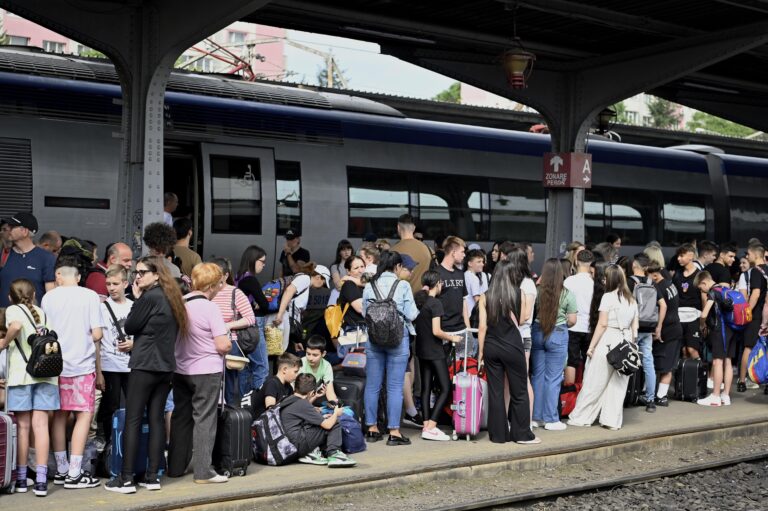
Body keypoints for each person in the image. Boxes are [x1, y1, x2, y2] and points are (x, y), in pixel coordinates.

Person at [105, 256, 186, 494]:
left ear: (156, 274)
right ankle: (152, 477)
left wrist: (138, 298)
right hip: (165, 366)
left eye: (142, 272)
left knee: (133, 419)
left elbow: (130, 326)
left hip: (145, 364)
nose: (137, 277)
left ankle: (126, 478)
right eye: (136, 272)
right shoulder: (172, 297)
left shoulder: (150, 297)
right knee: (156, 419)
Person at [41, 256, 103, 489]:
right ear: (78, 277)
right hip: (82, 365)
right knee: (83, 415)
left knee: (59, 415)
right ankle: (75, 473)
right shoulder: (89, 296)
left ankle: (62, 469)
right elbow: (97, 334)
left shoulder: (48, 298)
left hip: (55, 366)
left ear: (59, 276)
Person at [168, 263, 231, 484]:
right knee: (205, 419)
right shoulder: (210, 308)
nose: (220, 288)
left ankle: (175, 468)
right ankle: (203, 472)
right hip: (206, 371)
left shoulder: (180, 304)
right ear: (211, 285)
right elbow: (222, 345)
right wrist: (228, 343)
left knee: (181, 417)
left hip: (180, 369)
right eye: (219, 284)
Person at [0, 279, 58, 496]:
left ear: (10, 297)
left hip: (21, 375)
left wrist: (4, 343)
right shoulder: (42, 313)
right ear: (34, 295)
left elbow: (15, 326)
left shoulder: (12, 310)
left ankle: (23, 478)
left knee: (23, 428)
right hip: (45, 375)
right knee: (41, 427)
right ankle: (41, 480)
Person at [568, 265, 638, 430]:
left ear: (610, 279)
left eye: (605, 278)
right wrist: (632, 345)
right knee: (618, 385)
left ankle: (582, 417)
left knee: (595, 381)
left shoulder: (607, 297)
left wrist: (591, 347)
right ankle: (611, 421)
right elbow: (635, 327)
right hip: (626, 341)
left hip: (608, 340)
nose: (603, 281)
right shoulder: (632, 300)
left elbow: (602, 324)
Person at [478, 260, 539, 445]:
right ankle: (522, 435)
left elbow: (482, 327)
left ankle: (498, 435)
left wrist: (480, 353)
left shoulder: (485, 296)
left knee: (495, 392)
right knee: (519, 391)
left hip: (491, 346)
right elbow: (522, 320)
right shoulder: (518, 293)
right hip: (512, 345)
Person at [361, 251, 419, 446]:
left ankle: (372, 429)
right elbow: (411, 314)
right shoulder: (403, 285)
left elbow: (364, 312)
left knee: (372, 385)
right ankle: (394, 432)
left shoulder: (369, 285)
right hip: (398, 338)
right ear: (397, 266)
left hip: (374, 339)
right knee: (394, 386)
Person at [530, 258, 577, 431]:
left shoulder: (537, 291)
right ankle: (551, 419)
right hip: (557, 333)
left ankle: (536, 417)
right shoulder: (567, 294)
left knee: (537, 376)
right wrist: (563, 324)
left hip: (537, 332)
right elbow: (572, 320)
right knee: (554, 378)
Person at [413, 270, 459, 442]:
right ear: (437, 284)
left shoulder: (420, 302)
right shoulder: (435, 303)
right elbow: (437, 331)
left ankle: (426, 425)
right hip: (435, 350)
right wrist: (452, 338)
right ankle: (432, 426)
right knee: (445, 388)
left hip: (421, 350)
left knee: (426, 389)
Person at [282, 373, 356, 467]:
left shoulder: (289, 399)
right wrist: (336, 413)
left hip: (287, 443)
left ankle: (311, 452)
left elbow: (303, 413)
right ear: (311, 392)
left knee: (321, 420)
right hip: (298, 444)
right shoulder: (303, 404)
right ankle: (334, 454)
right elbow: (328, 425)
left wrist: (316, 396)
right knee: (334, 422)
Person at [210, 257, 256, 405]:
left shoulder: (235, 293)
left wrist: (228, 325)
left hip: (229, 343)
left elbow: (250, 318)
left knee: (229, 383)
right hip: (209, 342)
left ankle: (228, 412)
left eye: (217, 274)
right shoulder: (207, 291)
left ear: (225, 275)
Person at [96, 265, 133, 445]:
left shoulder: (133, 306)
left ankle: (128, 443)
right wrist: (98, 371)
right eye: (108, 284)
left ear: (125, 284)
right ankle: (111, 443)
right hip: (109, 364)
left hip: (130, 364)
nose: (111, 288)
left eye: (115, 284)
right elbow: (97, 341)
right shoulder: (102, 308)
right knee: (110, 406)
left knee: (133, 406)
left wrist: (134, 344)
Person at [694, 271, 735, 407]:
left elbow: (704, 314)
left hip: (719, 330)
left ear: (704, 282)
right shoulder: (725, 289)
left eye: (701, 288)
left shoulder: (713, 292)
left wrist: (702, 325)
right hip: (732, 329)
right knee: (728, 362)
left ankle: (715, 396)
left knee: (717, 362)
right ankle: (725, 395)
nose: (702, 291)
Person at [234, 245, 271, 395]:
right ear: (253, 260)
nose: (264, 265)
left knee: (245, 367)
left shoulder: (238, 277)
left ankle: (244, 402)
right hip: (254, 326)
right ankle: (257, 402)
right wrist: (258, 304)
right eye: (262, 261)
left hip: (240, 327)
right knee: (262, 367)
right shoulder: (250, 280)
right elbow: (265, 305)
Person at [0, 212, 55, 307]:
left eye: (12, 226)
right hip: (4, 315)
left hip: (32, 315)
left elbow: (51, 296)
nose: (8, 229)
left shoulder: (46, 258)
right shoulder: (3, 255)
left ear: (25, 231)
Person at [646, 264, 682, 408]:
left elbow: (663, 307)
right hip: (675, 328)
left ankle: (661, 396)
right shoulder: (670, 285)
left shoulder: (658, 287)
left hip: (667, 330)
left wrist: (658, 327)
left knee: (664, 366)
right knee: (668, 364)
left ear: (655, 275)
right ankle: (661, 395)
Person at [274, 263, 331, 353]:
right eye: (323, 283)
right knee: (278, 350)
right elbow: (289, 291)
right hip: (283, 319)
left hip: (287, 321)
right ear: (318, 277)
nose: (322, 287)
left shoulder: (306, 283)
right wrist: (280, 314)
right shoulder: (305, 279)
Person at [737, 243, 767, 392]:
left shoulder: (755, 271)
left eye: (748, 254)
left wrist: (747, 311)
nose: (747, 257)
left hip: (756, 315)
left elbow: (755, 293)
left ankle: (742, 381)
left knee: (748, 347)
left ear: (756, 255)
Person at [563, 250, 595, 386]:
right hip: (590, 327)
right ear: (591, 264)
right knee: (589, 361)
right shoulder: (594, 283)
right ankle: (586, 391)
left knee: (571, 361)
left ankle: (569, 392)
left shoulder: (569, 281)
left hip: (572, 325)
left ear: (576, 262)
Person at [438, 236, 471, 356]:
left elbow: (464, 301)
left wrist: (468, 328)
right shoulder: (437, 273)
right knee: (444, 366)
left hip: (461, 328)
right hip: (443, 330)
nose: (464, 255)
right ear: (453, 252)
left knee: (463, 365)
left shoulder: (460, 273)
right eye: (462, 252)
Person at [243, 352, 300, 420]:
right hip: (249, 419)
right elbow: (270, 411)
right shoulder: (272, 383)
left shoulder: (289, 387)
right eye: (295, 372)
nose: (297, 375)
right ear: (284, 369)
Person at [672, 244, 703, 360]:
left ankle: (700, 370)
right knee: (684, 350)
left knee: (692, 349)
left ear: (691, 256)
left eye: (681, 256)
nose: (678, 258)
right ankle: (684, 371)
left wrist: (704, 319)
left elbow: (704, 298)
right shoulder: (677, 274)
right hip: (679, 317)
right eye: (678, 256)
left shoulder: (700, 275)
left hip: (694, 317)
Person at [392, 213, 433, 294]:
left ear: (398, 227)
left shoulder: (392, 251)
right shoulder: (428, 249)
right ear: (414, 228)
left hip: (400, 298)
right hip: (422, 298)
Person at [336, 255, 367, 359]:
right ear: (348, 271)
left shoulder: (364, 285)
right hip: (355, 332)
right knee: (355, 366)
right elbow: (360, 308)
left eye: (362, 266)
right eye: (356, 268)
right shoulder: (349, 285)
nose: (360, 270)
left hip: (363, 332)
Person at [299, 335, 337, 403]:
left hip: (312, 398)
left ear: (323, 354)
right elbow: (297, 395)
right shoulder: (300, 363)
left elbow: (330, 392)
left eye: (315, 355)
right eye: (308, 354)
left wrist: (334, 404)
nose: (310, 358)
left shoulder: (326, 365)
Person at [464, 249, 488, 319]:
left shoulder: (465, 274)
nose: (482, 264)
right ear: (470, 263)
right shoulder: (473, 277)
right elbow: (477, 300)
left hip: (467, 314)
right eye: (479, 262)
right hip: (473, 315)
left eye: (482, 261)